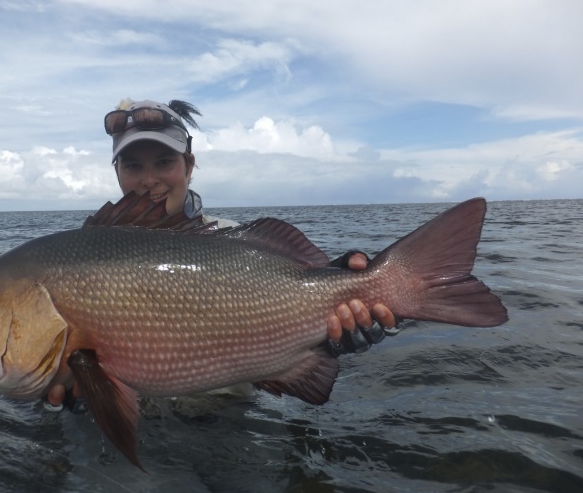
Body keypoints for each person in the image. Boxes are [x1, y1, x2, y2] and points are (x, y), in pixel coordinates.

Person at [45, 98, 397, 410]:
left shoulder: (232, 241)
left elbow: (295, 298)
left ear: (189, 165)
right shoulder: (83, 252)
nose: (148, 179)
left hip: (226, 421)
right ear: (118, 172)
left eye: (164, 161)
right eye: (132, 166)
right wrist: (63, 396)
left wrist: (335, 327)